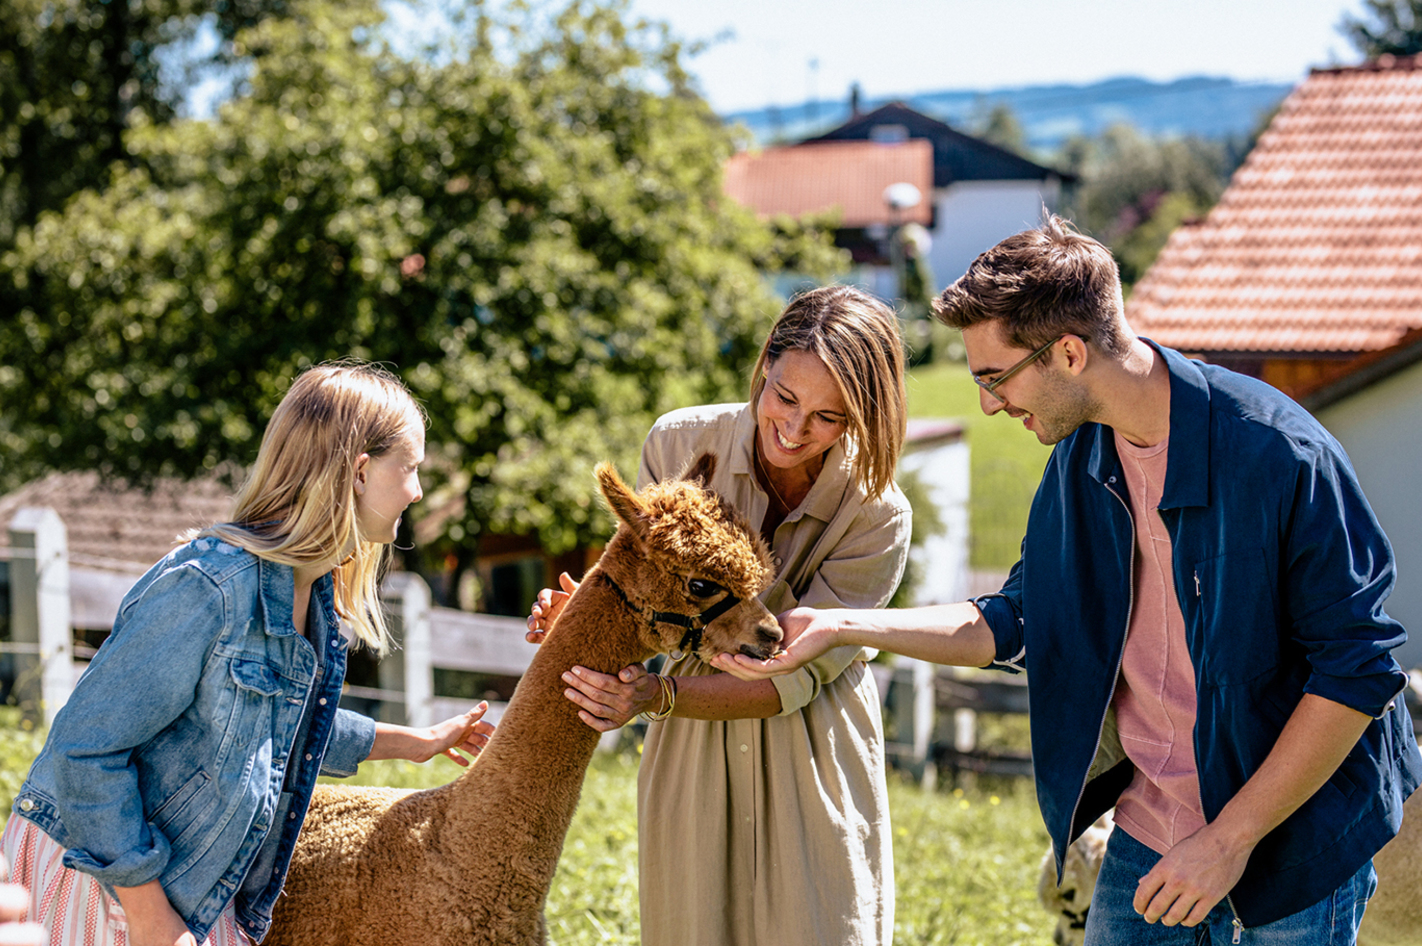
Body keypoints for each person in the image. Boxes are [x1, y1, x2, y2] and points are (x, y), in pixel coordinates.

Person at [717, 218, 1422, 945]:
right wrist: (841, 625)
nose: (988, 403)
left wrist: (1227, 843)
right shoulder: (1080, 458)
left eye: (994, 377)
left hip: (1293, 838)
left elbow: (1357, 672)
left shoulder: (1281, 455)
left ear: (1070, 353)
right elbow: (1019, 618)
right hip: (1153, 831)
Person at [2, 363, 495, 946]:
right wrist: (150, 918)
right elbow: (85, 751)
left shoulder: (308, 593)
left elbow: (275, 726)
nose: (416, 490)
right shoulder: (209, 587)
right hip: (99, 879)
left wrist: (416, 745)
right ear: (360, 472)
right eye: (409, 468)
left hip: (182, 893)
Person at [527, 285, 912, 946]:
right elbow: (647, 593)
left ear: (864, 415)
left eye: (829, 417)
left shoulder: (878, 515)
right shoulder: (678, 441)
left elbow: (795, 674)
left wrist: (659, 694)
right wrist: (584, 620)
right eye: (784, 397)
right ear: (764, 365)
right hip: (692, 759)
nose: (793, 430)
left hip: (811, 757)